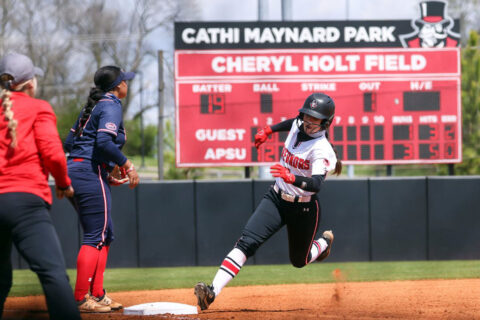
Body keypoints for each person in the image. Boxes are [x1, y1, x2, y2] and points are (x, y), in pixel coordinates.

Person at [194, 92, 342, 310]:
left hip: (303, 208)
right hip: (276, 198)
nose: (308, 122)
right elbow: (293, 122)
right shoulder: (299, 125)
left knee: (299, 261)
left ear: (326, 123)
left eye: (315, 119)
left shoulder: (321, 149)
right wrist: (269, 130)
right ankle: (211, 292)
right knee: (246, 242)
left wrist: (292, 177)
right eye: (306, 116)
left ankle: (323, 244)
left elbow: (317, 184)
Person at [0, 52, 81, 320]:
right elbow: (54, 154)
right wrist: (63, 184)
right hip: (24, 201)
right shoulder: (38, 108)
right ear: (30, 83)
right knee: (53, 273)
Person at [64, 65, 139, 312]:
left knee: (105, 234)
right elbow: (104, 142)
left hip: (80, 170)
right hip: (87, 171)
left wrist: (105, 172)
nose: (127, 84)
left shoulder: (95, 106)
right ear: (118, 86)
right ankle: (80, 298)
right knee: (96, 235)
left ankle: (96, 294)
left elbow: (70, 142)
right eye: (125, 81)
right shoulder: (111, 104)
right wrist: (125, 164)